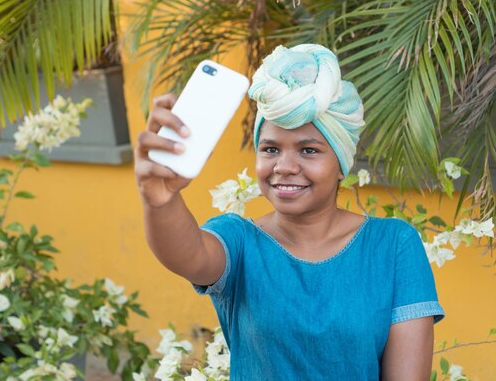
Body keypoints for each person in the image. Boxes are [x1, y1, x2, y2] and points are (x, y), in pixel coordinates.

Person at [134, 44, 444, 381]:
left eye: (309, 150)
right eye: (270, 149)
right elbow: (187, 255)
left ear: (341, 164)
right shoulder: (238, 241)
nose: (284, 166)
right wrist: (160, 200)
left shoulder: (393, 245)